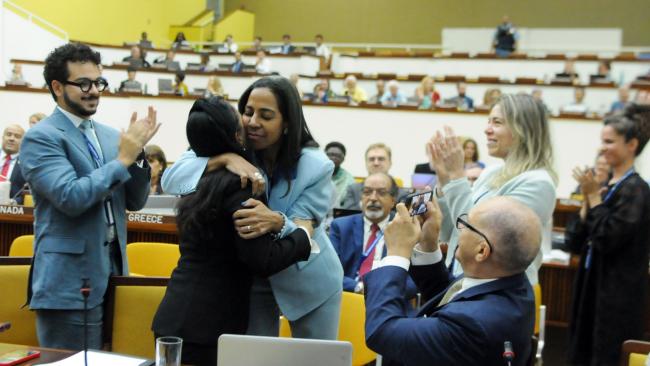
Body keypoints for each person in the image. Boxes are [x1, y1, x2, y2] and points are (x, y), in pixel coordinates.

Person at [161, 76, 343, 340]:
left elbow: (305, 227)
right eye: (247, 112)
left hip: (308, 276)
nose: (252, 122)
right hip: (253, 277)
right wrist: (222, 158)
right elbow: (171, 179)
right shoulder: (231, 142)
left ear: (287, 123)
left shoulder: (317, 165)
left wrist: (277, 221)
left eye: (266, 115)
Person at [152, 97, 314, 365]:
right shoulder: (241, 184)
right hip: (207, 327)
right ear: (236, 135)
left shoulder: (195, 179)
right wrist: (303, 235)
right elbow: (264, 259)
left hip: (174, 315)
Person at [19, 43, 158, 349]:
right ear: (57, 87)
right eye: (83, 83)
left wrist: (136, 157)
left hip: (114, 274)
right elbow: (71, 197)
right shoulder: (41, 137)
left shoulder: (110, 135)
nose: (93, 90)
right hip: (68, 283)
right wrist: (122, 159)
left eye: (98, 82)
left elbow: (134, 202)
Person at [364, 197, 540, 365]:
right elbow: (453, 299)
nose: (459, 229)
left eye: (466, 225)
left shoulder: (474, 325)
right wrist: (428, 245)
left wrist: (396, 253)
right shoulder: (512, 280)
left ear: (482, 251)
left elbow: (381, 331)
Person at [428, 94, 557, 286]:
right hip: (461, 284)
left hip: (496, 294)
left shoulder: (537, 183)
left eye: (496, 122)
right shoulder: (491, 172)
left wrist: (456, 175)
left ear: (523, 129)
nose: (487, 130)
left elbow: (480, 238)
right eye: (488, 121)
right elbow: (450, 233)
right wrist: (444, 177)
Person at [566, 104, 650, 365]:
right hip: (590, 290)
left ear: (632, 144)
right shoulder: (605, 187)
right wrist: (587, 203)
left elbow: (606, 238)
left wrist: (592, 197)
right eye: (601, 141)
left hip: (616, 298)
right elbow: (574, 241)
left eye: (610, 141)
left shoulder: (637, 190)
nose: (602, 147)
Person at [330, 172, 417, 296]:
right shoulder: (341, 226)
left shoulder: (405, 229)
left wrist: (383, 290)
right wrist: (358, 287)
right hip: (348, 296)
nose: (373, 198)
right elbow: (330, 273)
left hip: (389, 300)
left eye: (381, 193)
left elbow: (413, 282)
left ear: (393, 200)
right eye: (367, 192)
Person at [339, 143, 409, 210]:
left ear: (390, 163)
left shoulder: (402, 194)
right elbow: (348, 216)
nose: (376, 163)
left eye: (381, 159)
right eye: (372, 159)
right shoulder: (353, 190)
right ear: (366, 163)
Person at [0, 124, 26, 203]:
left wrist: (15, 202)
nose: (12, 138)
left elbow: (28, 193)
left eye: (17, 136)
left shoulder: (27, 164)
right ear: (3, 137)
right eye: (8, 134)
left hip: (11, 212)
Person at [324, 141, 355, 206]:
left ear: (343, 159)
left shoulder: (349, 180)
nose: (333, 158)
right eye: (330, 154)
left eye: (338, 156)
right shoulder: (315, 175)